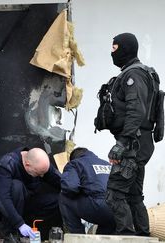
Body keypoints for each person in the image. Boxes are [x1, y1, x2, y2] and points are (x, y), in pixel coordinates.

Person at [102, 33, 157, 235]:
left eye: (115, 48)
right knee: (134, 195)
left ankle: (126, 236)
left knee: (114, 194)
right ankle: (143, 236)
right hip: (139, 143)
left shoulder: (134, 76)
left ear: (125, 49)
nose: (111, 53)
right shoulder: (139, 73)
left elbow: (136, 111)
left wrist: (122, 143)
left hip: (133, 144)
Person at [0, 147, 62, 243]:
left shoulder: (39, 164)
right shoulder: (5, 164)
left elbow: (59, 180)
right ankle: (10, 235)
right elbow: (1, 198)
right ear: (27, 164)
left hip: (23, 201)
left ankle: (33, 231)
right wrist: (19, 224)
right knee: (16, 187)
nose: (42, 176)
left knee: (58, 200)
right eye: (38, 173)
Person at [59, 147, 115, 234]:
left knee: (64, 197)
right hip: (118, 210)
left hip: (98, 206)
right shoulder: (107, 164)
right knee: (107, 224)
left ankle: (77, 236)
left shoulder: (75, 163)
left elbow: (70, 187)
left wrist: (81, 191)